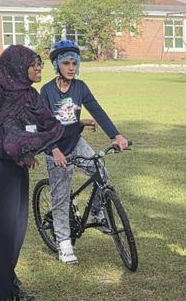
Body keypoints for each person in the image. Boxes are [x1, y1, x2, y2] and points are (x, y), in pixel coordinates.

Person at [0, 45, 63, 301]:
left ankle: (7, 285)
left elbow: (49, 125)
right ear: (18, 67)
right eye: (34, 64)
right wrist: (17, 149)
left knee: (13, 229)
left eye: (40, 64)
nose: (39, 68)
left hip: (16, 171)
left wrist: (30, 146)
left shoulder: (31, 96)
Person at [39, 40, 129, 264]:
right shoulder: (47, 91)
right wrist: (53, 150)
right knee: (60, 196)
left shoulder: (80, 87)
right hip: (56, 147)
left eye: (74, 63)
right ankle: (64, 243)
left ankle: (98, 212)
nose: (71, 67)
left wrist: (115, 135)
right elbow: (44, 126)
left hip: (75, 142)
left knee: (101, 173)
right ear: (57, 65)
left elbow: (97, 110)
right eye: (66, 63)